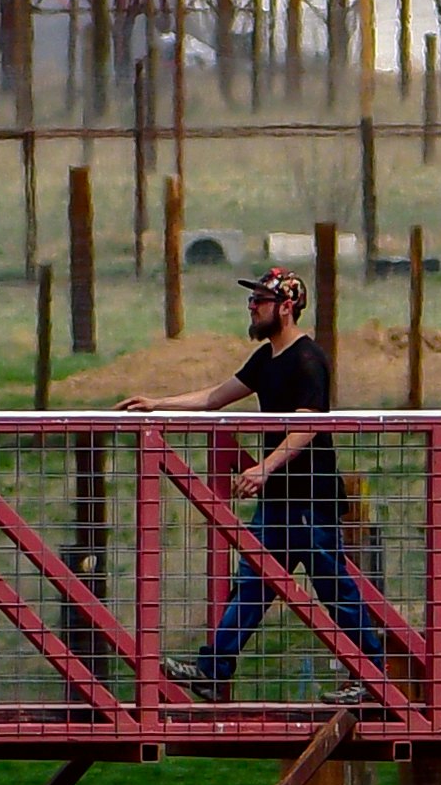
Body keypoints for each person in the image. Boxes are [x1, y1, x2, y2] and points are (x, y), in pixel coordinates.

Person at [130, 262, 391, 695]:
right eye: (252, 300)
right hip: (279, 500)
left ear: (286, 307)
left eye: (261, 300)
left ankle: (372, 678)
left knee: (335, 587)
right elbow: (215, 397)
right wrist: (157, 404)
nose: (252, 307)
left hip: (310, 498)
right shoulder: (266, 358)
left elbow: (309, 425)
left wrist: (264, 467)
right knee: (252, 583)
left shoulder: (308, 359)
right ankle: (214, 672)